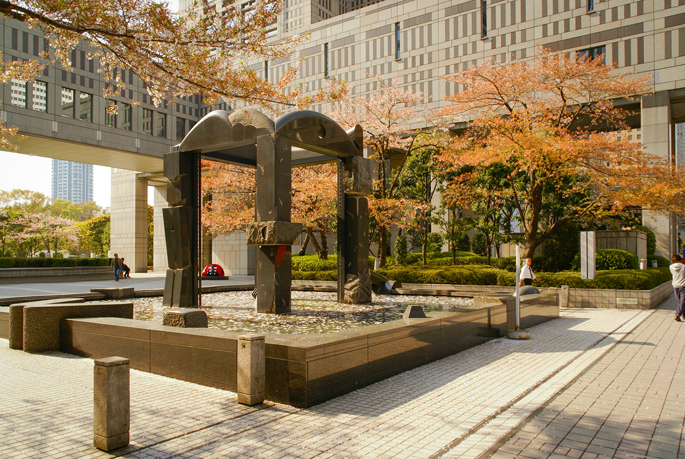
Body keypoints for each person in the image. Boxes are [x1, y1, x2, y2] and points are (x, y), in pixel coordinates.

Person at [670, 254, 685, 321]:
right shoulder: (684, 266)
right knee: (682, 301)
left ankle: (683, 315)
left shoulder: (670, 267)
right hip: (683, 285)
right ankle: (678, 314)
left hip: (675, 285)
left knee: (680, 301)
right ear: (680, 260)